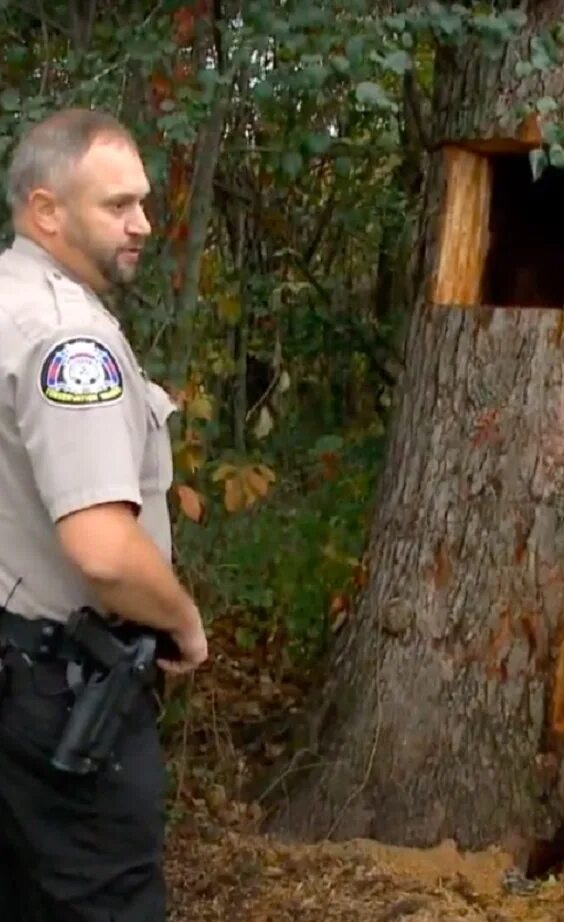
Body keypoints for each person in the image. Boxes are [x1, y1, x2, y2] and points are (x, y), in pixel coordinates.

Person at [0, 108, 208, 921]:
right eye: (117, 206)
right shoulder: (64, 339)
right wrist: (183, 622)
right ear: (46, 209)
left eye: (143, 203)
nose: (144, 224)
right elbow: (105, 551)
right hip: (62, 693)